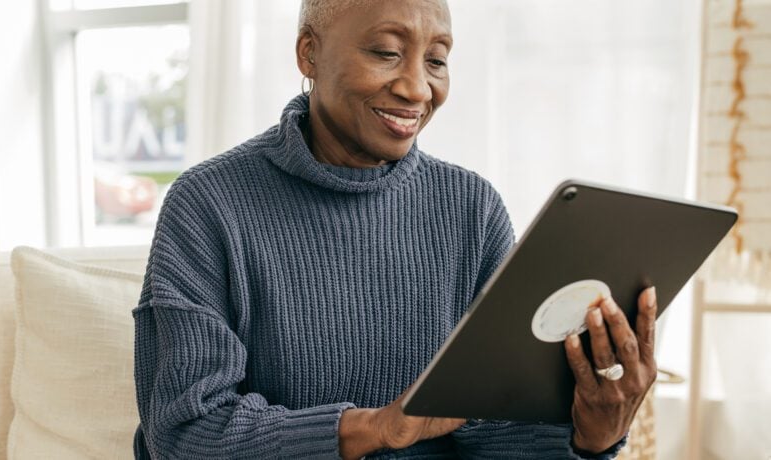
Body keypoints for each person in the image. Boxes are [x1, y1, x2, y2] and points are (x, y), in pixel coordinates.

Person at [132, 0, 657, 458]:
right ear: (309, 54)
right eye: (386, 52)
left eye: (436, 60)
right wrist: (375, 428)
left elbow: (497, 434)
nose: (416, 87)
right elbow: (185, 434)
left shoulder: (471, 208)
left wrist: (590, 437)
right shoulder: (208, 205)